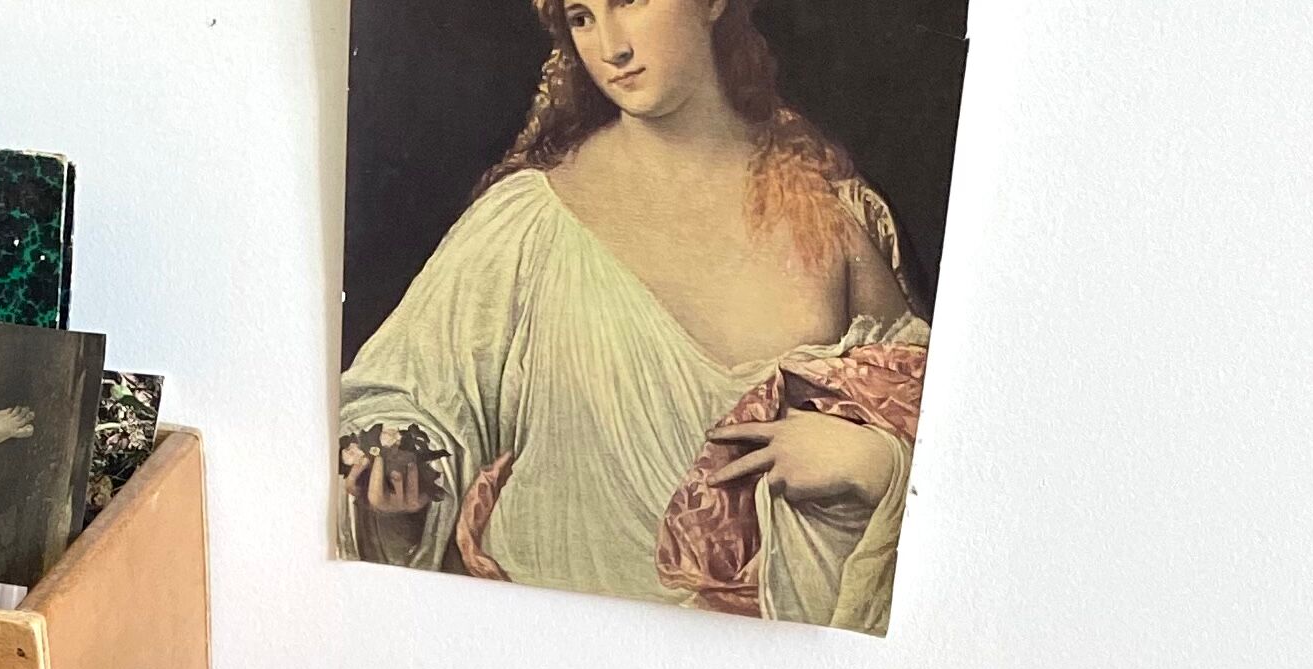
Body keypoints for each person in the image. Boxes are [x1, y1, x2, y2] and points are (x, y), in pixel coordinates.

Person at [337, 0, 930, 632]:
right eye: (582, 17)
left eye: (630, 2)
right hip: (552, 642)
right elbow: (405, 402)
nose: (611, 47)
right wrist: (397, 486)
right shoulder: (525, 223)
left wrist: (873, 464)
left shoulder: (832, 215)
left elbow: (933, 429)